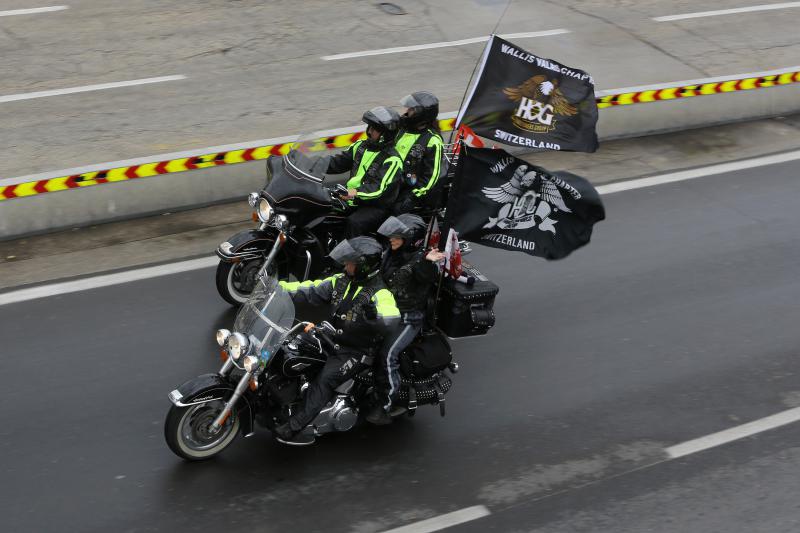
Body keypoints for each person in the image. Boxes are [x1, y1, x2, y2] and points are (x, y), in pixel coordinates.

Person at [273, 236, 401, 444]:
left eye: (350, 263)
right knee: (290, 347)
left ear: (364, 267)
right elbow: (310, 288)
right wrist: (277, 288)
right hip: (331, 336)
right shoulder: (340, 281)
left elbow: (391, 318)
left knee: (325, 379)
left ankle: (294, 426)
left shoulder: (380, 293)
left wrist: (375, 315)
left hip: (356, 351)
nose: (345, 265)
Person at [366, 214, 445, 425]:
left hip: (409, 318)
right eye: (391, 236)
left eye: (397, 237)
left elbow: (426, 274)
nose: (391, 239)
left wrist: (427, 262)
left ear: (410, 239)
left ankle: (384, 405)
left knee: (387, 355)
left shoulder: (422, 261)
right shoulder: (391, 254)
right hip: (386, 309)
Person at [327, 106, 404, 238]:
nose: (369, 131)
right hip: (352, 198)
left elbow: (377, 189)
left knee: (354, 223)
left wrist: (352, 193)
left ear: (385, 135)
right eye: (369, 127)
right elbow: (337, 162)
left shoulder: (392, 160)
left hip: (375, 206)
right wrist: (311, 164)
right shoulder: (360, 146)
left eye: (374, 129)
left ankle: (350, 251)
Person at [393, 91, 445, 214]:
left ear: (421, 114)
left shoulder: (433, 140)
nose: (407, 112)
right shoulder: (401, 129)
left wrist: (413, 196)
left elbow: (431, 177)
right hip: (388, 181)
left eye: (411, 109)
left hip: (408, 188)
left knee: (391, 212)